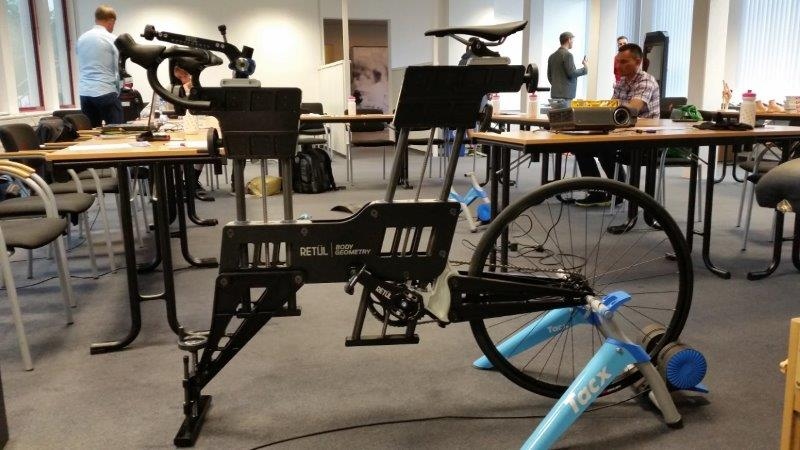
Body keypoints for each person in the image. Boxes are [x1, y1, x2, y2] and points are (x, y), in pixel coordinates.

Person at [575, 43, 660, 206]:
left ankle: (620, 192)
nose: (618, 66)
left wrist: (614, 106)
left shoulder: (646, 81)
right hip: (622, 134)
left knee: (605, 150)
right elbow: (611, 108)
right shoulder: (622, 82)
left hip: (645, 141)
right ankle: (597, 193)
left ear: (638, 61)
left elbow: (633, 109)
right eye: (618, 61)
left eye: (623, 62)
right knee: (582, 147)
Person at [76, 5, 123, 127]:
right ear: (111, 21)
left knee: (91, 132)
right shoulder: (112, 38)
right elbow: (119, 68)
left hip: (85, 93)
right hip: (105, 91)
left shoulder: (81, 39)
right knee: (117, 131)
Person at [547, 31, 587, 106]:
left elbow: (549, 76)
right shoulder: (568, 55)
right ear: (569, 39)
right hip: (565, 97)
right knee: (565, 114)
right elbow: (572, 73)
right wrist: (585, 68)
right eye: (572, 40)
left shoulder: (552, 56)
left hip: (554, 95)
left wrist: (557, 85)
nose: (573, 42)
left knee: (556, 114)